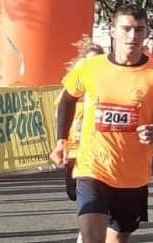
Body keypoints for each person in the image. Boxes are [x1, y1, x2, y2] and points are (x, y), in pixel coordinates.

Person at [50, 4, 153, 243]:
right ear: (112, 31)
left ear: (146, 32)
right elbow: (67, 101)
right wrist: (62, 141)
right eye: (126, 29)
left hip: (133, 173)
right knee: (92, 238)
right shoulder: (91, 68)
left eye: (139, 30)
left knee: (119, 237)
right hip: (93, 166)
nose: (132, 36)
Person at [58, 39, 105, 203]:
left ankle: (92, 222)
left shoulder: (106, 85)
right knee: (73, 192)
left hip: (96, 146)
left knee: (93, 191)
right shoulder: (73, 84)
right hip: (73, 144)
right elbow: (60, 109)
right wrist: (60, 140)